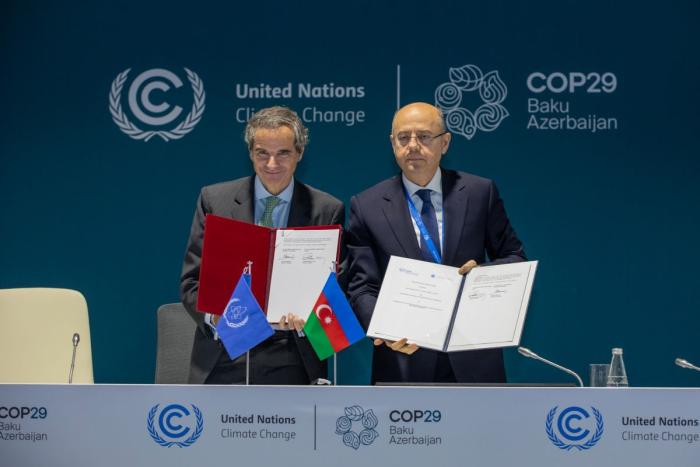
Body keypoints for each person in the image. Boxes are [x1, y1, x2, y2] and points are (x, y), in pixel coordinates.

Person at [346, 102, 526, 384]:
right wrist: (383, 329)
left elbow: (514, 257)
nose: (413, 146)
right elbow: (361, 287)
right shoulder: (367, 205)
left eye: (424, 136)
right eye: (403, 138)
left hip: (473, 356)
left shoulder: (480, 193)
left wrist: (481, 277)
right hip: (403, 359)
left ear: (445, 142)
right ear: (392, 144)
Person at [180, 106, 344, 384]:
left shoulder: (327, 210)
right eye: (262, 153)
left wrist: (311, 320)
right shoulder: (215, 201)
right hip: (226, 352)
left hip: (293, 356)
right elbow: (191, 282)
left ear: (300, 153)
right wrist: (216, 317)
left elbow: (337, 292)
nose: (272, 163)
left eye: (283, 153)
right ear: (250, 153)